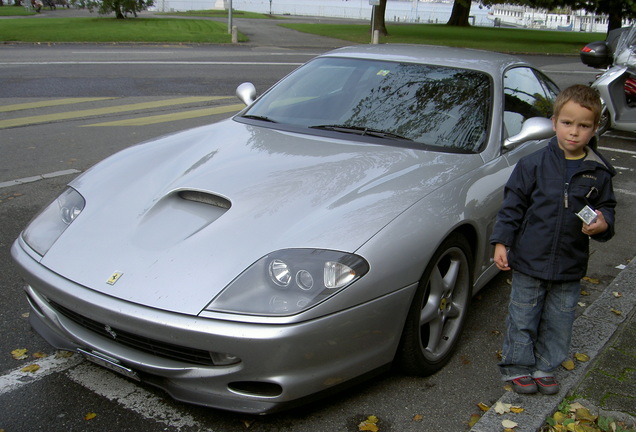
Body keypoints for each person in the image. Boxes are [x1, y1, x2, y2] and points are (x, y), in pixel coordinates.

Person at [490, 84, 617, 395]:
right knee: (523, 314)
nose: (574, 132)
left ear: (594, 128)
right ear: (554, 121)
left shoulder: (598, 172)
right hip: (530, 259)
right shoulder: (533, 164)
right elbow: (513, 206)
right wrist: (501, 243)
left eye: (583, 125)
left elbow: (606, 209)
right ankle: (518, 366)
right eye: (567, 123)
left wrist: (602, 224)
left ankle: (545, 365)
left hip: (570, 263)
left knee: (560, 319)